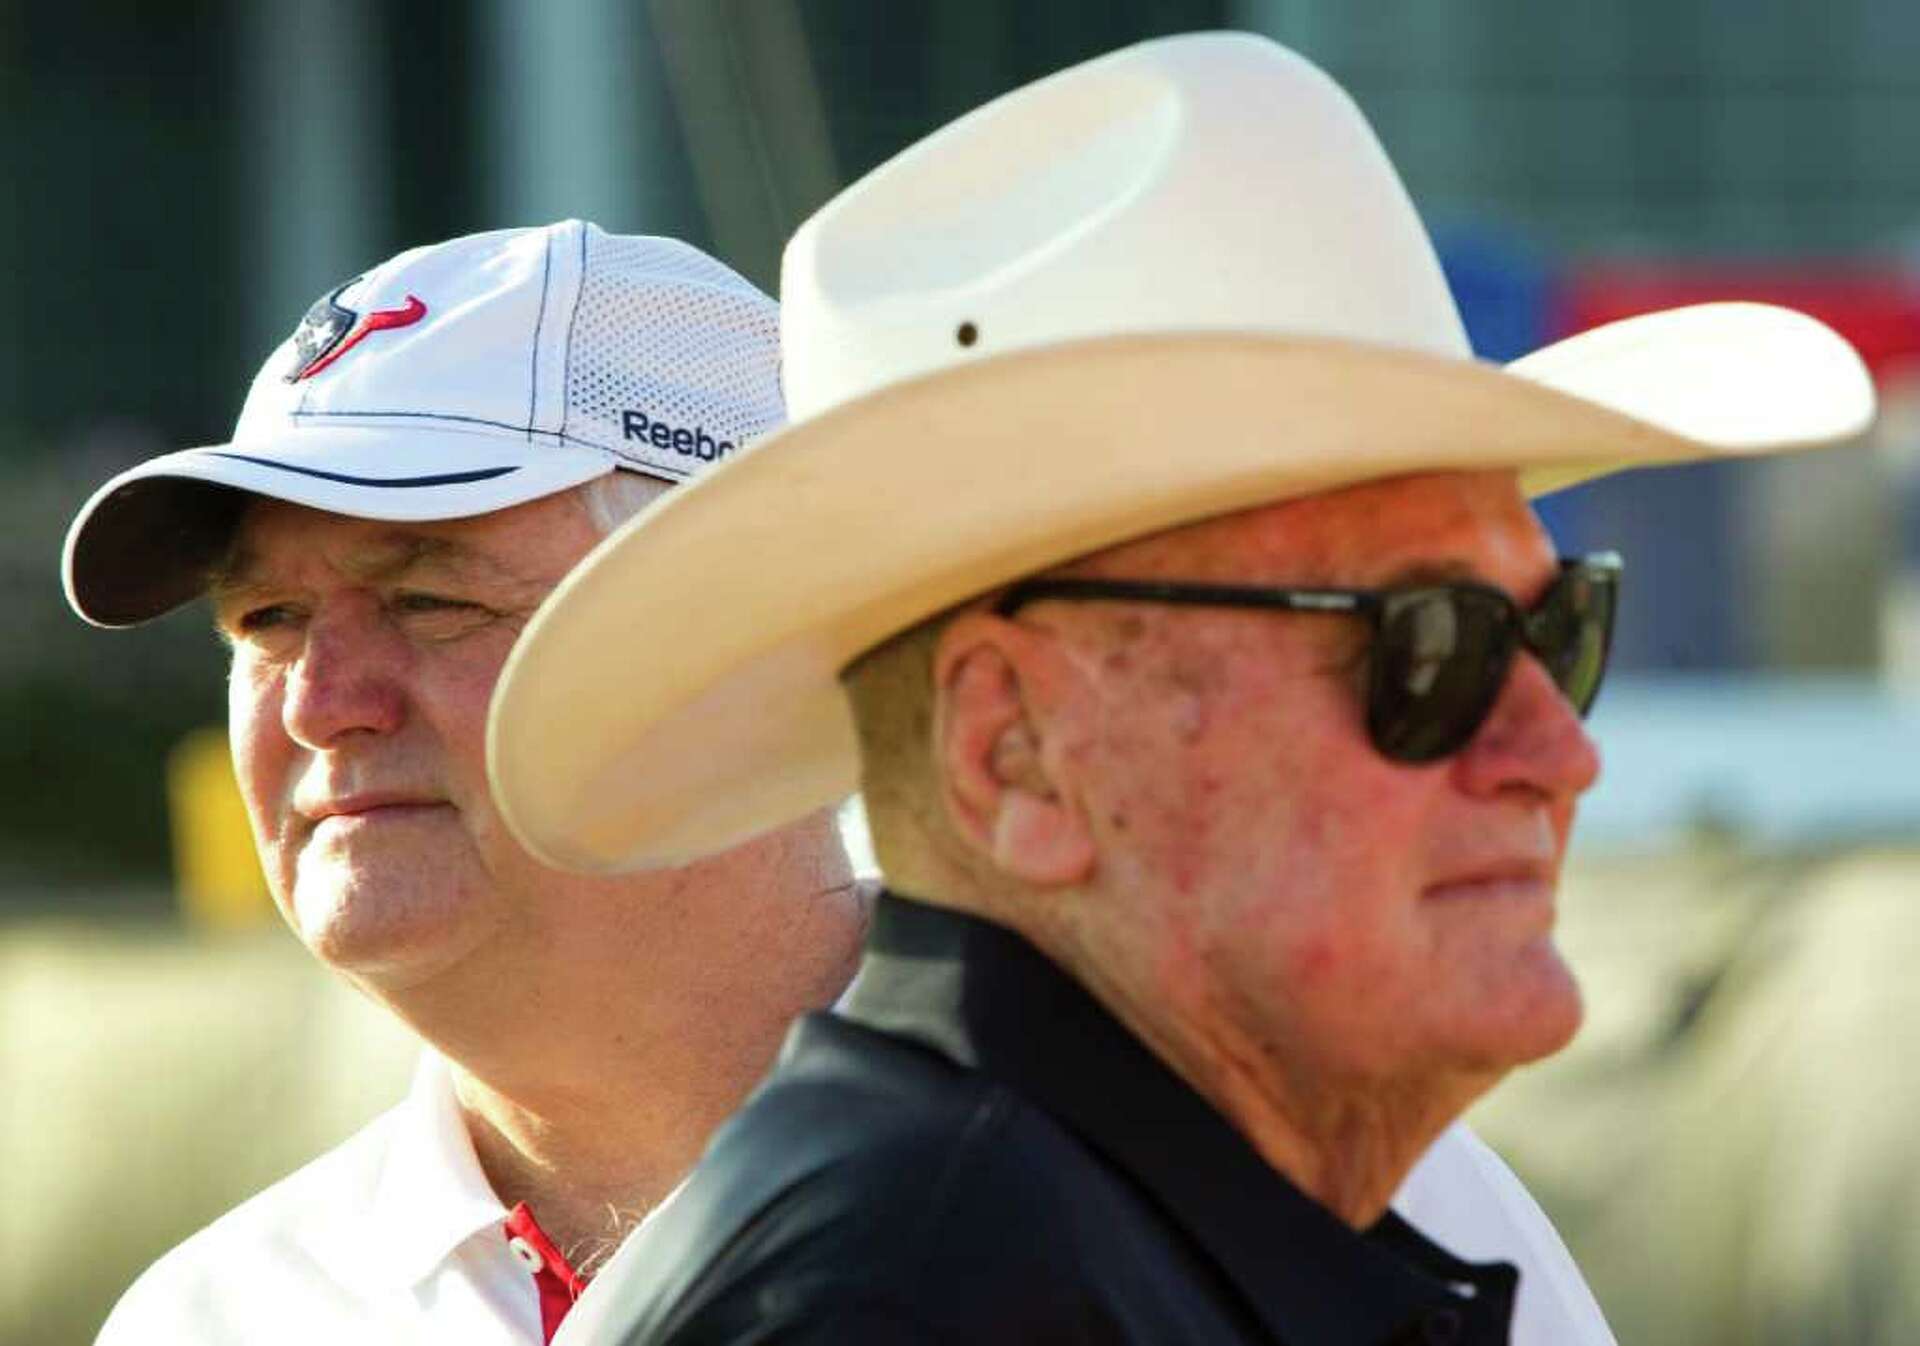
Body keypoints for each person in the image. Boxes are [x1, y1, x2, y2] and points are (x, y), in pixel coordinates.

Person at [486, 34, 1874, 1346]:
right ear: (1015, 751)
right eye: (1427, 645)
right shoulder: (911, 1291)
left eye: (1555, 627)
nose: (1556, 748)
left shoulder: (1027, 1241)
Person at [62, 221, 867, 1344]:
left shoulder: (1089, 1202)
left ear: (764, 644)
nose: (317, 702)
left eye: (431, 600)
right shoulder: (213, 1318)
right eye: (269, 619)